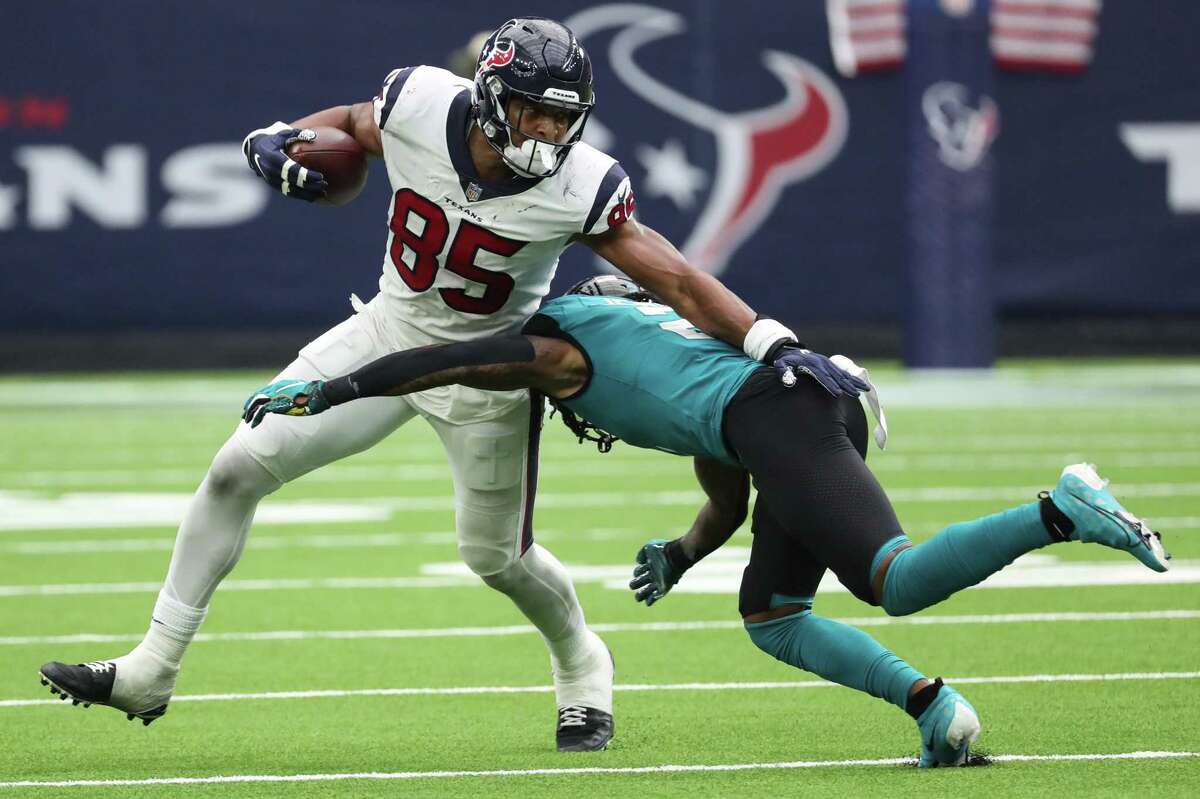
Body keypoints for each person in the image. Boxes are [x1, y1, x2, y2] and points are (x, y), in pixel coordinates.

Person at [36, 17, 817, 752]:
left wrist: (767, 337)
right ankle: (152, 669)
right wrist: (284, 140)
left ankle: (583, 661)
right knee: (234, 468)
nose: (547, 130)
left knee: (496, 558)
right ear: (486, 95)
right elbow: (348, 129)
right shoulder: (417, 103)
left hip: (488, 368)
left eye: (561, 116)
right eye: (531, 110)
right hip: (387, 329)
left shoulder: (581, 185)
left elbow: (677, 278)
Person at [235, 275, 1170, 766]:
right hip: (788, 409)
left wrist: (334, 384)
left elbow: (440, 363)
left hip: (786, 411)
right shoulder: (682, 368)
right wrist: (683, 553)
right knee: (772, 613)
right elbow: (730, 495)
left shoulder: (564, 346)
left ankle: (1061, 508)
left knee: (895, 579)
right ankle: (935, 710)